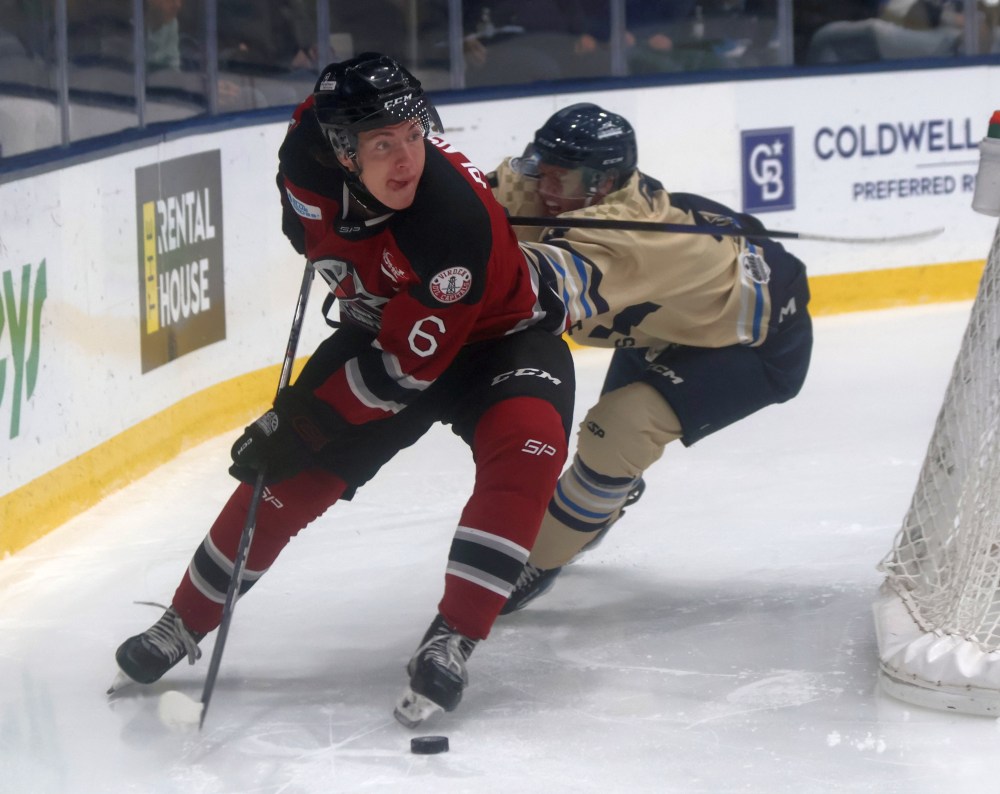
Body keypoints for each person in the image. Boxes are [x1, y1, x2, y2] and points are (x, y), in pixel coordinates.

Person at [109, 53, 576, 727]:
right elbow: (308, 199)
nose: (406, 158)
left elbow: (398, 376)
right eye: (382, 144)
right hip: (388, 322)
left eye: (413, 135)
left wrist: (299, 421)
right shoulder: (305, 153)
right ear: (340, 151)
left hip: (500, 338)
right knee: (285, 475)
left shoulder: (451, 225)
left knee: (529, 445)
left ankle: (454, 637)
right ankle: (183, 621)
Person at [486, 103, 813, 611]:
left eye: (562, 178)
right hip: (671, 320)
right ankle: (604, 498)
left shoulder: (627, 244)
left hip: (758, 341)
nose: (546, 189)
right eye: (543, 170)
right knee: (607, 463)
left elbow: (527, 290)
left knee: (616, 431)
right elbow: (475, 194)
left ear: (604, 181)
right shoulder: (563, 188)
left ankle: (540, 560)